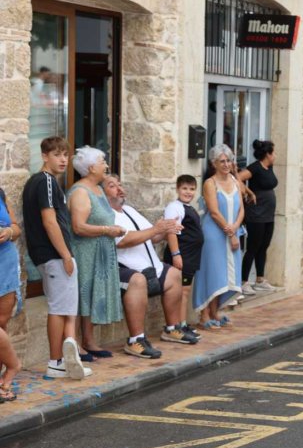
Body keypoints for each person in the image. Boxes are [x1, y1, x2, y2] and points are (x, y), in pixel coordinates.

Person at [105, 175, 198, 358]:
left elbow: (153, 236)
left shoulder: (130, 210)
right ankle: (135, 340)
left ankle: (172, 329)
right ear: (102, 193)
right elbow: (123, 241)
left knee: (173, 274)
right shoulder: (106, 214)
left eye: (120, 184)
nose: (119, 188)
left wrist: (166, 230)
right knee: (138, 281)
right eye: (112, 186)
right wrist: (156, 230)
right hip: (126, 269)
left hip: (150, 266)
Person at [22, 137, 91, 380]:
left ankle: (63, 360)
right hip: (54, 254)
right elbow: (49, 221)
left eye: (65, 155)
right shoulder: (46, 182)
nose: (63, 159)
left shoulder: (43, 182)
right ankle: (55, 362)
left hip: (51, 255)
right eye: (57, 154)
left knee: (63, 309)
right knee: (59, 309)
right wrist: (66, 255)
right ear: (44, 156)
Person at [67, 147, 127, 359]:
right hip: (86, 252)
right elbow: (78, 226)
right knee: (82, 296)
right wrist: (107, 230)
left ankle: (90, 340)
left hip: (100, 252)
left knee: (92, 295)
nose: (107, 166)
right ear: (91, 167)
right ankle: (75, 344)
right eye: (103, 162)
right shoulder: (80, 192)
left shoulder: (98, 189)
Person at [193, 144, 244, 329]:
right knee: (211, 271)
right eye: (221, 161)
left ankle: (215, 311)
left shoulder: (236, 181)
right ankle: (204, 314)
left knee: (224, 273)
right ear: (213, 163)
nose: (226, 164)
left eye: (228, 160)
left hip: (232, 231)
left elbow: (241, 210)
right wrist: (230, 232)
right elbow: (214, 212)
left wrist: (235, 228)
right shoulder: (210, 183)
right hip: (214, 233)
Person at [163, 175, 204, 339]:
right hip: (182, 255)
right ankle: (176, 326)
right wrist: (176, 255)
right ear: (178, 189)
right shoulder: (175, 207)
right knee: (180, 292)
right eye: (185, 188)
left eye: (192, 189)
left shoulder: (189, 207)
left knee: (185, 292)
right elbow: (171, 231)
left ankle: (183, 324)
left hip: (191, 255)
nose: (188, 192)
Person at [238, 140, 281, 295]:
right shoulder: (255, 167)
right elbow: (237, 177)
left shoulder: (269, 167)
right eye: (273, 153)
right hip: (256, 214)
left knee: (264, 246)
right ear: (267, 154)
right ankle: (243, 281)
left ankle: (260, 280)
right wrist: (248, 192)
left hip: (268, 214)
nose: (275, 156)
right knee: (253, 248)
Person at [0, 184, 22, 401]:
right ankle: (13, 366)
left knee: (2, 324)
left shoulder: (0, 193)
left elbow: (16, 227)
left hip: (4, 264)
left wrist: (8, 231)